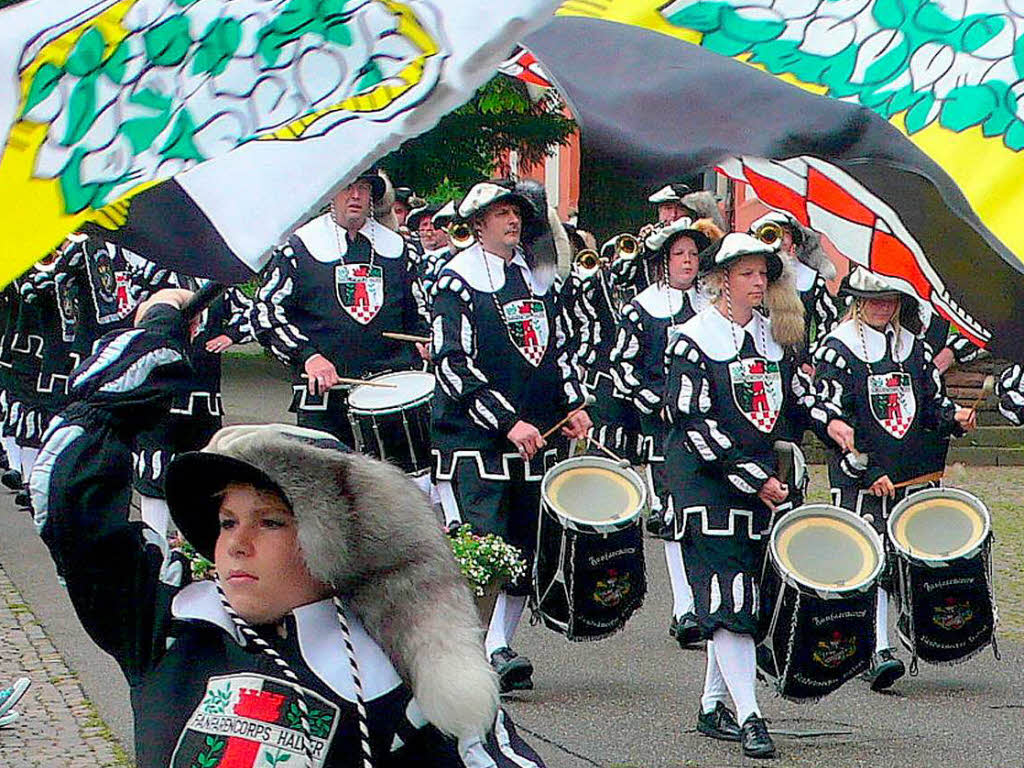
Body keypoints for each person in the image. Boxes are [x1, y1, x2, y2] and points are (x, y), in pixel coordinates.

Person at [32, 289, 547, 767]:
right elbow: (68, 504)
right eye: (227, 521)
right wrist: (133, 367)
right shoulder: (167, 622)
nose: (236, 544)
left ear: (336, 543)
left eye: (271, 522)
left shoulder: (396, 672)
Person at [662, 232, 825, 760]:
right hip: (707, 486)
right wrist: (755, 477)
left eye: (764, 274)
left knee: (745, 596)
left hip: (764, 488)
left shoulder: (775, 337)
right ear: (722, 280)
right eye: (748, 274)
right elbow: (693, 422)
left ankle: (714, 704)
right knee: (729, 594)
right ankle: (752, 715)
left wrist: (838, 425)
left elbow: (796, 407)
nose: (759, 283)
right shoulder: (692, 338)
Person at [430, 180, 591, 692]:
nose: (513, 222)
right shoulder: (455, 280)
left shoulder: (539, 278)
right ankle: (475, 651)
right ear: (478, 224)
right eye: (501, 215)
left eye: (516, 214)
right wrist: (506, 421)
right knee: (487, 547)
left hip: (537, 436)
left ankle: (499, 644)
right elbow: (451, 365)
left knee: (526, 552)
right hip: (475, 440)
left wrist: (572, 406)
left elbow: (559, 349)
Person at [811, 266, 976, 692]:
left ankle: (899, 634)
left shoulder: (915, 349)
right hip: (863, 476)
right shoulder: (836, 348)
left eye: (891, 298)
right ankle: (874, 648)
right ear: (859, 301)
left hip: (909, 474)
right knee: (870, 560)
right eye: (875, 298)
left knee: (904, 558)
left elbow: (928, 406)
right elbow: (836, 421)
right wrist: (867, 470)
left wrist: (953, 418)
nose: (883, 306)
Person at [253, 169, 429, 446]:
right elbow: (265, 313)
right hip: (325, 398)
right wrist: (308, 356)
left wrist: (424, 340)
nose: (356, 195)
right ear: (331, 193)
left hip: (390, 397)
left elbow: (419, 311)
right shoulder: (299, 247)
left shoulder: (398, 249)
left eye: (364, 188)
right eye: (347, 187)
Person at [609, 218, 718, 649]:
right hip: (664, 432)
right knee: (673, 516)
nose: (688, 261)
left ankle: (708, 603)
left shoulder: (712, 306)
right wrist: (660, 403)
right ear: (663, 262)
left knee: (705, 515)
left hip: (707, 429)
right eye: (680, 255)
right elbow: (622, 367)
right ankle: (684, 607)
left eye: (693, 254)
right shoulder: (641, 308)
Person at [747, 211, 840, 373]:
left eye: (786, 233)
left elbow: (828, 321)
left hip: (798, 365)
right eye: (772, 231)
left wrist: (812, 359)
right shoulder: (749, 279)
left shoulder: (811, 278)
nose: (780, 238)